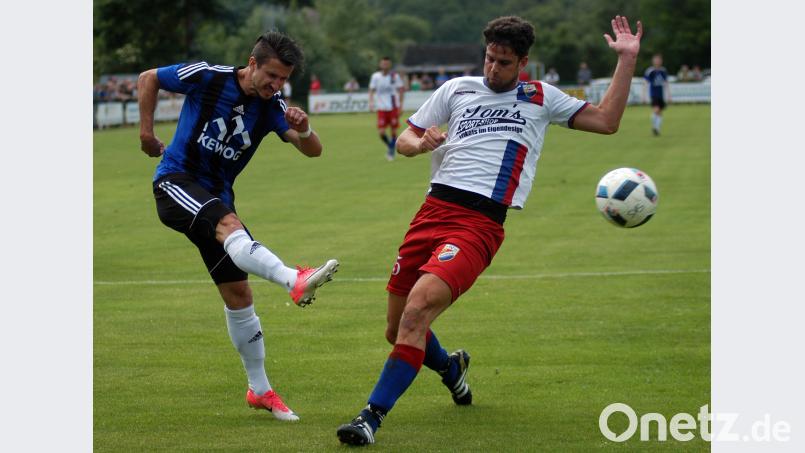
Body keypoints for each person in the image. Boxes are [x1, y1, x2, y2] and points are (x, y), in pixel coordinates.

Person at [336, 14, 642, 446]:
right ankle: (451, 369)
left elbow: (608, 120)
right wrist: (418, 144)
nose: (492, 69)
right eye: (489, 59)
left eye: (503, 62)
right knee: (396, 328)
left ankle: (370, 417)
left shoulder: (541, 97)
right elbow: (407, 137)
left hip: (479, 223)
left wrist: (627, 60)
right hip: (431, 212)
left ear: (523, 62)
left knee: (417, 311)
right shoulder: (456, 89)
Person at [137, 31, 339, 422]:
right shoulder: (209, 76)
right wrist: (146, 132)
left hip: (215, 198)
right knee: (229, 226)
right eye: (272, 76)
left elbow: (312, 150)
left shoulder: (271, 106)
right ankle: (292, 280)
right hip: (175, 182)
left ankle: (260, 391)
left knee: (238, 293)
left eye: (283, 79)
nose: (276, 85)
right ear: (252, 63)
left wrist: (306, 127)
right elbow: (149, 78)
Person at [368, 56, 406, 161]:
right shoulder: (375, 76)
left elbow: (401, 90)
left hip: (393, 107)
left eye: (387, 64)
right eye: (383, 63)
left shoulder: (394, 76)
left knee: (393, 131)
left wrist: (401, 106)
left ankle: (391, 150)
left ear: (389, 65)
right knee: (381, 132)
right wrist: (371, 102)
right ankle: (391, 146)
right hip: (381, 108)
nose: (385, 65)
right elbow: (371, 90)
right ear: (380, 64)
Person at [644, 53, 670, 136]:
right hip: (653, 94)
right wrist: (644, 95)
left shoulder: (663, 71)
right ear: (653, 61)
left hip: (661, 95)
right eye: (656, 59)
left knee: (660, 112)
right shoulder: (650, 71)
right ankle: (655, 127)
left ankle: (656, 129)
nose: (657, 61)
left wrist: (669, 95)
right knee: (656, 110)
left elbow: (666, 83)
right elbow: (645, 83)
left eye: (659, 60)